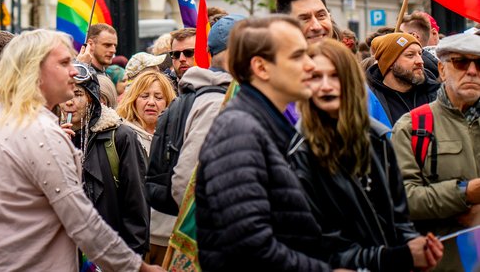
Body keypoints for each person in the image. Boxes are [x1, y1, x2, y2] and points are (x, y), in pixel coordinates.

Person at [0, 29, 164, 272]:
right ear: (34, 70)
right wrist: (138, 268)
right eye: (64, 63)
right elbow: (82, 221)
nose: (74, 71)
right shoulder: (39, 132)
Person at [290, 39, 443, 271]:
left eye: (334, 76)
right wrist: (394, 257)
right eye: (315, 76)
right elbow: (320, 246)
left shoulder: (379, 138)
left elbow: (398, 218)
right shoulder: (300, 151)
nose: (325, 85)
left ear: (350, 82)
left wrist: (416, 244)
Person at [195, 16, 332, 271]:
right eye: (297, 56)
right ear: (261, 67)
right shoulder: (239, 132)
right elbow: (250, 247)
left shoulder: (267, 125)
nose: (311, 66)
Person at [392, 31, 480, 272]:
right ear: (442, 71)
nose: (472, 71)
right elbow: (403, 200)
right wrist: (464, 193)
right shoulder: (413, 126)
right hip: (444, 264)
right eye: (461, 62)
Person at [58, 62, 151, 255]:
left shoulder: (120, 136)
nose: (69, 102)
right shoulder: (48, 137)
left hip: (109, 252)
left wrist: (132, 256)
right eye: (65, 95)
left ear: (91, 98)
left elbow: (136, 201)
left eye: (77, 94)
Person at [154, 15, 237, 215]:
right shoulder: (214, 102)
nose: (181, 59)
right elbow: (184, 181)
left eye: (189, 52)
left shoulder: (227, 93)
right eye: (175, 55)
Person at [117, 69, 177, 264]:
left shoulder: (176, 138)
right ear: (134, 99)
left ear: (168, 104)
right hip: (134, 239)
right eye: (145, 96)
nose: (151, 102)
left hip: (168, 238)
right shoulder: (121, 136)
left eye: (158, 97)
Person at [366, 32, 439, 126]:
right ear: (390, 63)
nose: (420, 61)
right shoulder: (370, 100)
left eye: (420, 54)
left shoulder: (436, 93)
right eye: (410, 55)